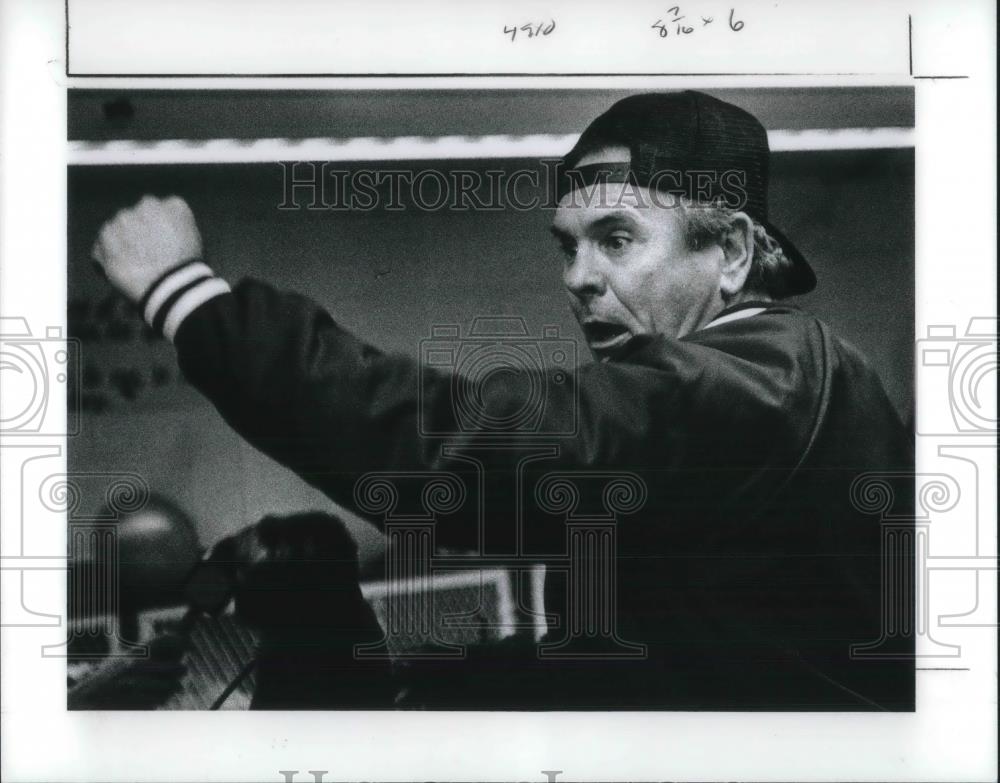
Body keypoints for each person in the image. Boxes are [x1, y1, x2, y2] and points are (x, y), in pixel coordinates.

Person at [91, 90, 914, 710]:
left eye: (617, 238)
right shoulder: (795, 375)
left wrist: (185, 293)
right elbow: (664, 655)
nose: (579, 278)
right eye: (569, 246)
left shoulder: (755, 381)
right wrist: (419, 678)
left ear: (730, 249)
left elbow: (460, 451)